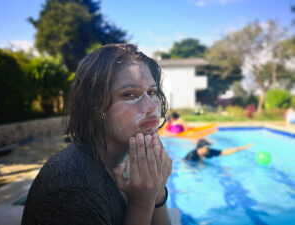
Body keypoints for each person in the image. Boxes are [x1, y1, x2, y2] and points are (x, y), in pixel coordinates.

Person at [21, 44, 172, 225]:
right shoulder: (72, 190)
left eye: (152, 92)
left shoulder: (125, 163)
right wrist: (142, 203)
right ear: (95, 106)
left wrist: (158, 192)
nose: (151, 106)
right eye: (130, 94)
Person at [185, 139, 253, 162]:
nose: (209, 148)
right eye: (206, 147)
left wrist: (243, 147)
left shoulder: (209, 152)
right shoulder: (192, 156)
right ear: (200, 148)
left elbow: (225, 151)